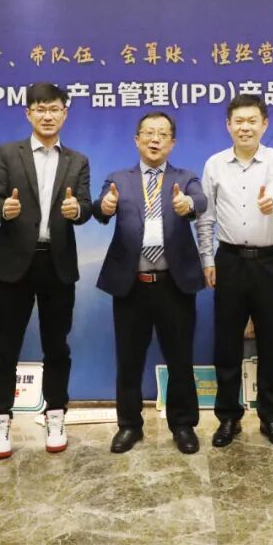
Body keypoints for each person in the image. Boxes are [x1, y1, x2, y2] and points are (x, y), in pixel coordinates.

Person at [0, 82, 92, 458]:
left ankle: (56, 414)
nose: (48, 116)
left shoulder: (77, 160)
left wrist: (77, 211)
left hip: (56, 263)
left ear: (65, 113)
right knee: (5, 346)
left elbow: (85, 205)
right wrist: (3, 210)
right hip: (14, 263)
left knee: (57, 346)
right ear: (28, 113)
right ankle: (0, 419)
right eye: (40, 109)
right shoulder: (6, 153)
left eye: (54, 109)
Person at [93, 111, 208, 455]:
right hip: (132, 285)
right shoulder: (119, 178)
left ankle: (183, 425)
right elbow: (102, 207)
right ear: (137, 140)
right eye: (148, 133)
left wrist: (187, 204)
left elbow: (200, 201)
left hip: (174, 284)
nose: (155, 139)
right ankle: (129, 425)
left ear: (172, 142)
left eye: (162, 134)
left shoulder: (185, 177)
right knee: (129, 360)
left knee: (180, 359)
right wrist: (106, 205)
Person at [197, 94, 273, 448]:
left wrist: (271, 199)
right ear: (228, 125)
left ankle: (271, 417)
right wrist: (208, 260)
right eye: (239, 121)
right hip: (231, 261)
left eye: (252, 121)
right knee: (227, 343)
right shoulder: (215, 164)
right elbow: (205, 217)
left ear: (264, 124)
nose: (245, 127)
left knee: (271, 342)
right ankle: (228, 417)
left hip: (271, 262)